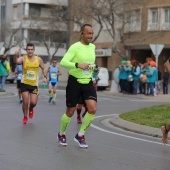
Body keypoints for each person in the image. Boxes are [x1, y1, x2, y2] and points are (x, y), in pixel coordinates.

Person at [57, 24, 97, 148]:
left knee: (92, 109)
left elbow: (91, 63)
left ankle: (80, 134)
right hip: (75, 81)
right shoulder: (75, 47)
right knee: (70, 110)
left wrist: (94, 70)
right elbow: (63, 62)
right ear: (82, 33)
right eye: (88, 33)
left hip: (88, 81)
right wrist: (77, 65)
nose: (90, 36)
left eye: (92, 33)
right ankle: (62, 133)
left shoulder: (93, 47)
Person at [13, 43, 47, 124]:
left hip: (34, 84)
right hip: (24, 83)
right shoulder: (23, 58)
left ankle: (31, 108)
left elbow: (43, 68)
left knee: (33, 102)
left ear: (34, 50)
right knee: (25, 101)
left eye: (31, 49)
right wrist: (15, 55)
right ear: (26, 50)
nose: (30, 51)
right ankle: (25, 116)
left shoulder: (38, 59)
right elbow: (16, 61)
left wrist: (45, 77)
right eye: (28, 49)